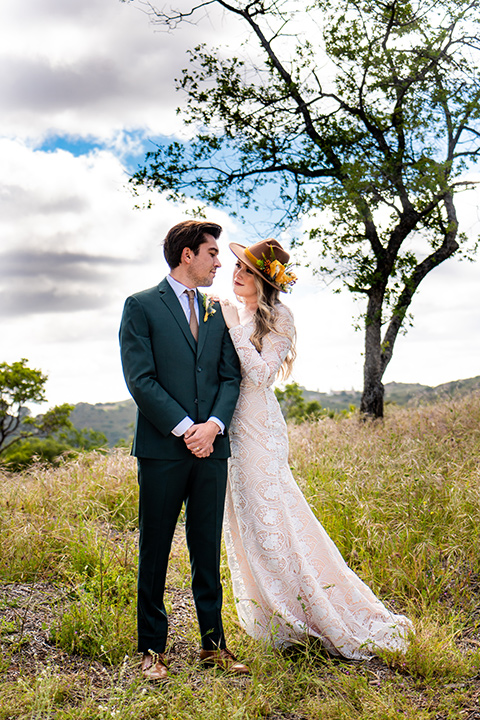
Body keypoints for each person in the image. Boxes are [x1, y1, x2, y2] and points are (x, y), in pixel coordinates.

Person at [219, 238, 413, 660]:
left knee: (272, 519)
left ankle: (312, 611)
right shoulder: (230, 310)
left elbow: (263, 375)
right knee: (246, 522)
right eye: (236, 266)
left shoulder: (279, 318)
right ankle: (274, 615)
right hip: (229, 429)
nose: (237, 273)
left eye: (247, 270)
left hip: (258, 430)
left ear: (265, 281)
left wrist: (235, 329)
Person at [119, 220, 249, 679]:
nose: (219, 262)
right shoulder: (140, 306)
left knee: (206, 548)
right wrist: (185, 428)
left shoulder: (218, 310)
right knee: (154, 551)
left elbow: (231, 376)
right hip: (162, 450)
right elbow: (141, 380)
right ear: (187, 255)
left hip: (212, 449)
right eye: (213, 253)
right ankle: (152, 652)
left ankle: (214, 647)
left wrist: (212, 427)